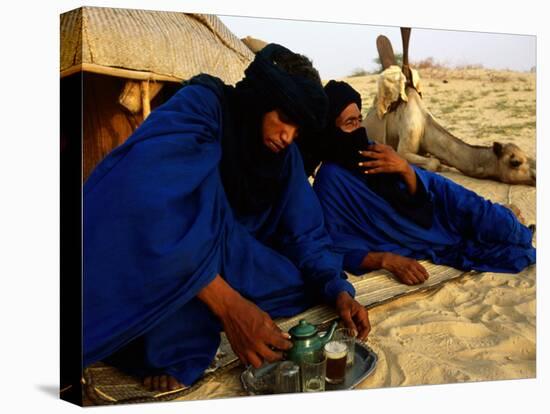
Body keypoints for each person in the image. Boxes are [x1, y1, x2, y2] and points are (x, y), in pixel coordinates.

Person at [83, 45, 370, 393]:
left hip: (233, 255)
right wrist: (230, 306)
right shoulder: (202, 107)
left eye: (298, 129)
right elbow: (139, 198)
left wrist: (338, 289)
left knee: (304, 284)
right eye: (285, 119)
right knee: (169, 322)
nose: (287, 136)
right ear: (262, 99)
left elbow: (306, 231)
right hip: (169, 248)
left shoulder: (284, 156)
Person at [297, 80, 535, 286]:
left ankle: (508, 219)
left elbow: (427, 193)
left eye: (359, 120)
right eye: (350, 123)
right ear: (330, 129)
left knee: (503, 227)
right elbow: (335, 246)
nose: (359, 130)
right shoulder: (330, 181)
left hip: (439, 207)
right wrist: (386, 260)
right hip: (423, 234)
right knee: (511, 251)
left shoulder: (374, 151)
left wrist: (404, 169)